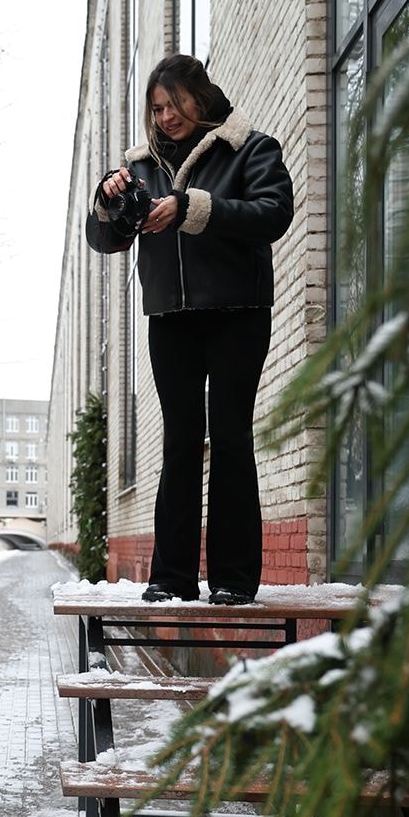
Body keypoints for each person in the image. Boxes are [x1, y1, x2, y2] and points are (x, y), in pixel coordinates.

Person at [85, 54, 295, 605]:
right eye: (157, 108)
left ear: (200, 98)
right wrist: (108, 202)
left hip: (237, 314)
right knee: (179, 444)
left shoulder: (249, 147)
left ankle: (233, 579)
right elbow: (104, 241)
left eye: (174, 104)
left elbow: (273, 213)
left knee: (229, 438)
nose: (165, 117)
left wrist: (191, 208)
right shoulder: (142, 165)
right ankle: (170, 577)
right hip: (170, 321)